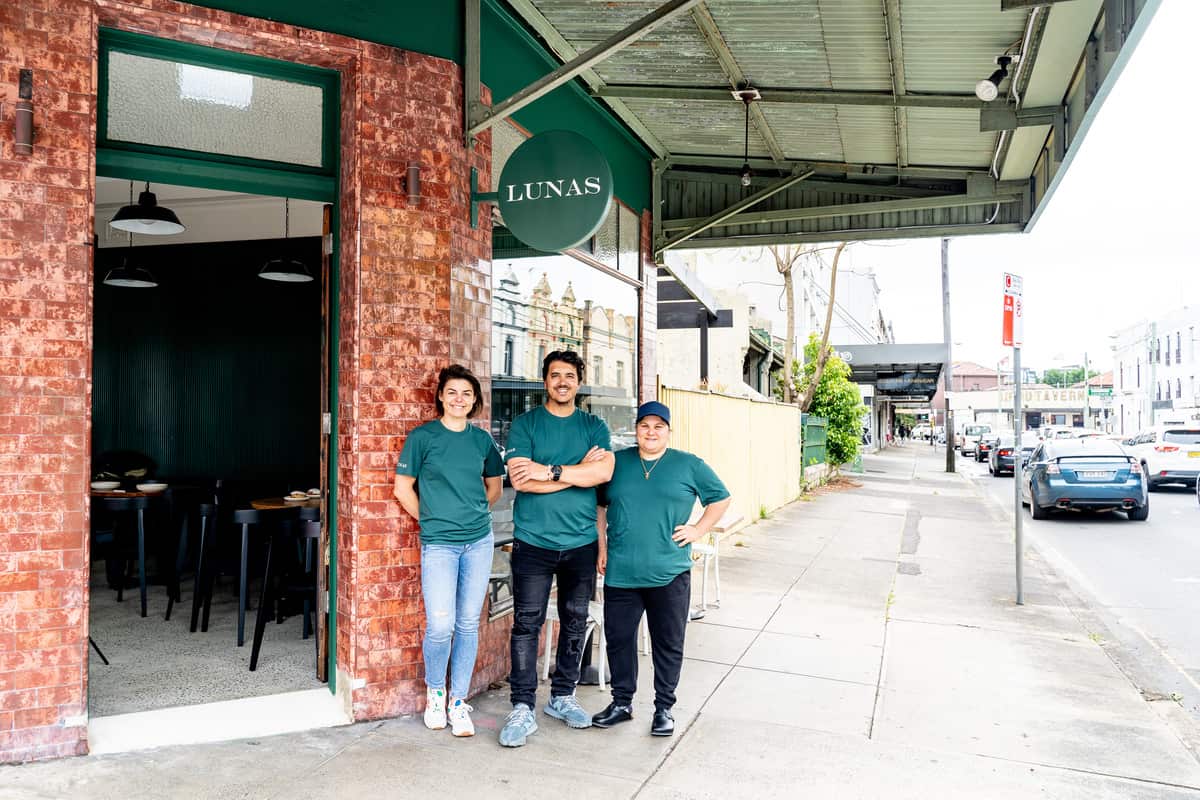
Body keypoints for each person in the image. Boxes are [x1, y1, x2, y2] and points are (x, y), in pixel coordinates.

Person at [591, 401, 730, 737]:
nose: (651, 432)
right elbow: (599, 506)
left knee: (668, 642)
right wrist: (602, 547)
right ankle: (622, 703)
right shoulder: (618, 462)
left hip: (669, 573)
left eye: (658, 426)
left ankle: (664, 708)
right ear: (636, 429)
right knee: (619, 640)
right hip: (622, 571)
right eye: (644, 426)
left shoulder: (688, 465)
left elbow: (721, 498)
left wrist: (698, 529)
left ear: (668, 430)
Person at [498, 350, 615, 748]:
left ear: (578, 382)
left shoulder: (594, 425)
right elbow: (522, 482)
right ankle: (523, 705)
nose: (562, 381)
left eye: (569, 375)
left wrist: (553, 470)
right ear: (544, 381)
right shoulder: (526, 424)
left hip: (581, 543)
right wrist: (576, 473)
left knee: (575, 621)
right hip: (533, 541)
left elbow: (604, 472)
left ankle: (563, 697)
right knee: (527, 624)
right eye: (554, 375)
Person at [393, 364, 505, 738]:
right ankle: (435, 692)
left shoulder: (482, 441)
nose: (460, 399)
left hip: (478, 541)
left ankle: (459, 701)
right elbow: (403, 488)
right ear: (441, 395)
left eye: (467, 394)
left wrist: (473, 515)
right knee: (441, 624)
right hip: (439, 543)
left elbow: (494, 488)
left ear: (475, 402)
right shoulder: (422, 438)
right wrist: (430, 521)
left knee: (468, 623)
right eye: (453, 392)